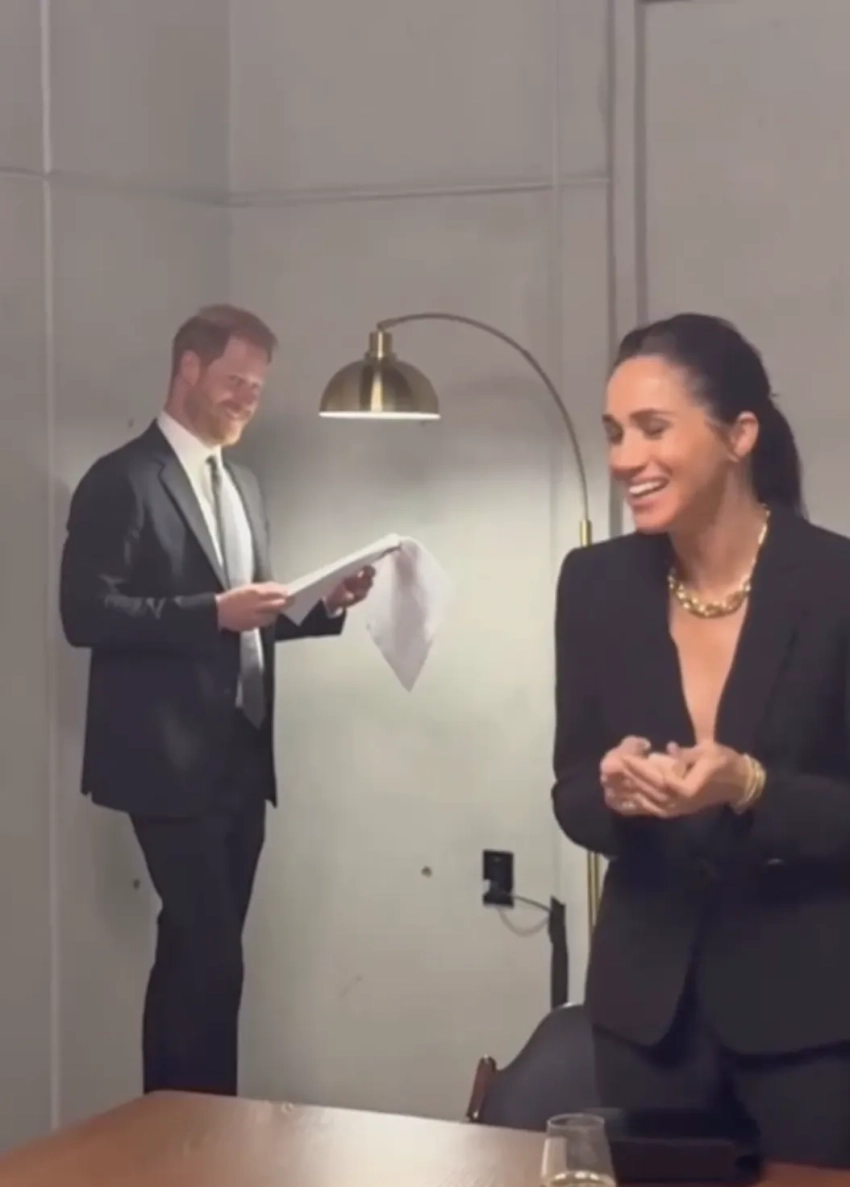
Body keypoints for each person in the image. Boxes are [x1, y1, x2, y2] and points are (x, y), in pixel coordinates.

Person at [552, 312, 850, 1168]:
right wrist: (613, 792)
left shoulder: (836, 583)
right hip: (648, 1018)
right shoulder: (594, 583)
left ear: (739, 435)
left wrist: (752, 785)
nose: (626, 458)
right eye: (615, 432)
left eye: (653, 427)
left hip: (810, 1018)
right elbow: (571, 790)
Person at [59, 304, 374, 1098]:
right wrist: (211, 613)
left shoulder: (244, 483)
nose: (247, 400)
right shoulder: (122, 479)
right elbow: (85, 614)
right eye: (236, 381)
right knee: (210, 954)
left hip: (241, 755)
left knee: (202, 952)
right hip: (164, 761)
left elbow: (248, 621)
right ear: (189, 369)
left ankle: (183, 1125)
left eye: (258, 388)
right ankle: (194, 1127)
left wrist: (324, 604)